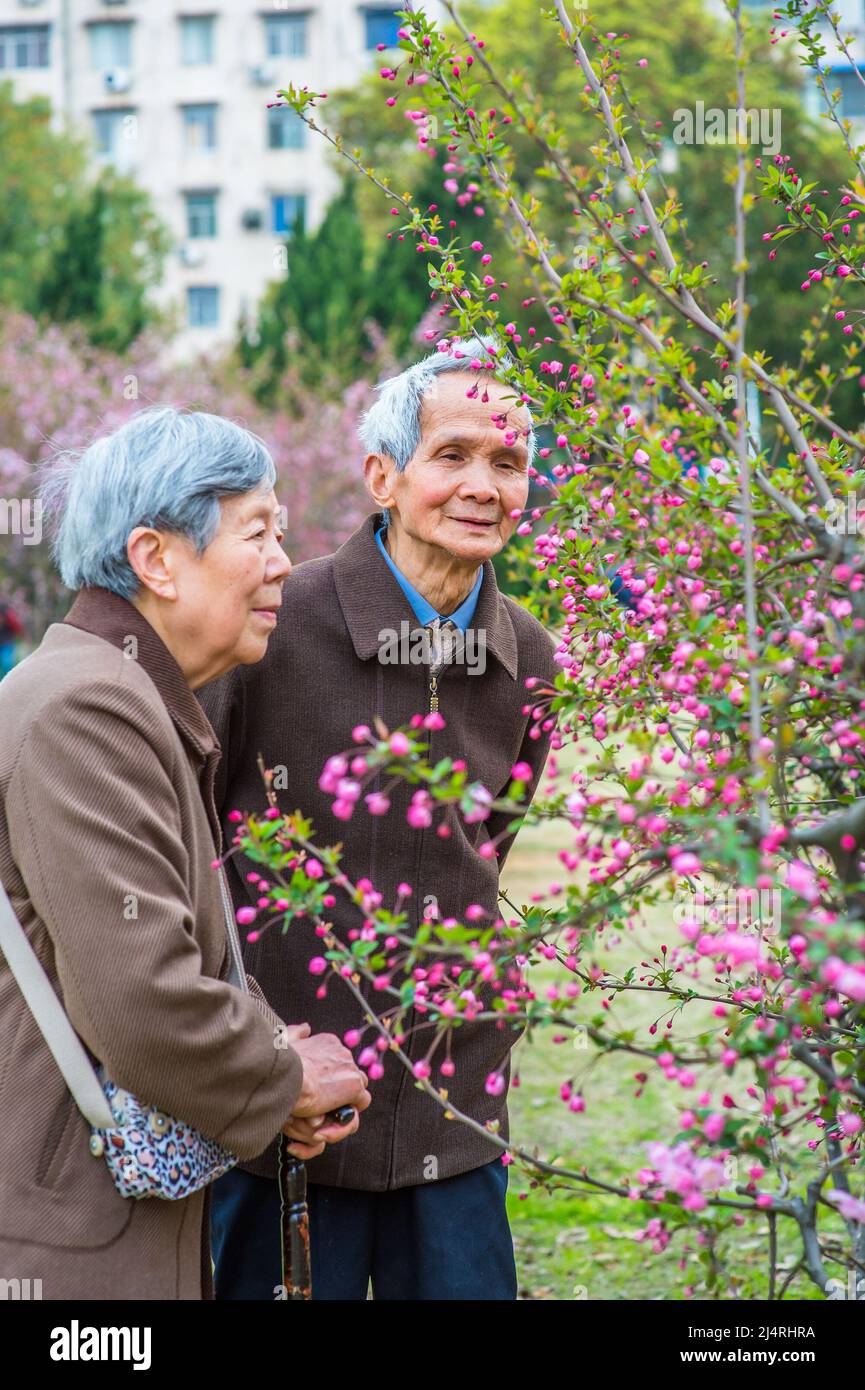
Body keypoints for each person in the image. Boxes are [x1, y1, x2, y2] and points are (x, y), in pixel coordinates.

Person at [199, 338, 559, 1300]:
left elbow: (489, 843)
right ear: (383, 476)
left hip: (454, 1096)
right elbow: (193, 848)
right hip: (284, 1103)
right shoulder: (272, 622)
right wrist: (252, 1058)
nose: (484, 486)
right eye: (453, 456)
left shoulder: (529, 658)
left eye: (509, 462)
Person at [0, 407, 369, 1301]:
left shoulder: (125, 693)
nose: (284, 562)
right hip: (72, 1244)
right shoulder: (89, 709)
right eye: (258, 532)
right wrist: (283, 1075)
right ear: (156, 559)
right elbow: (143, 997)